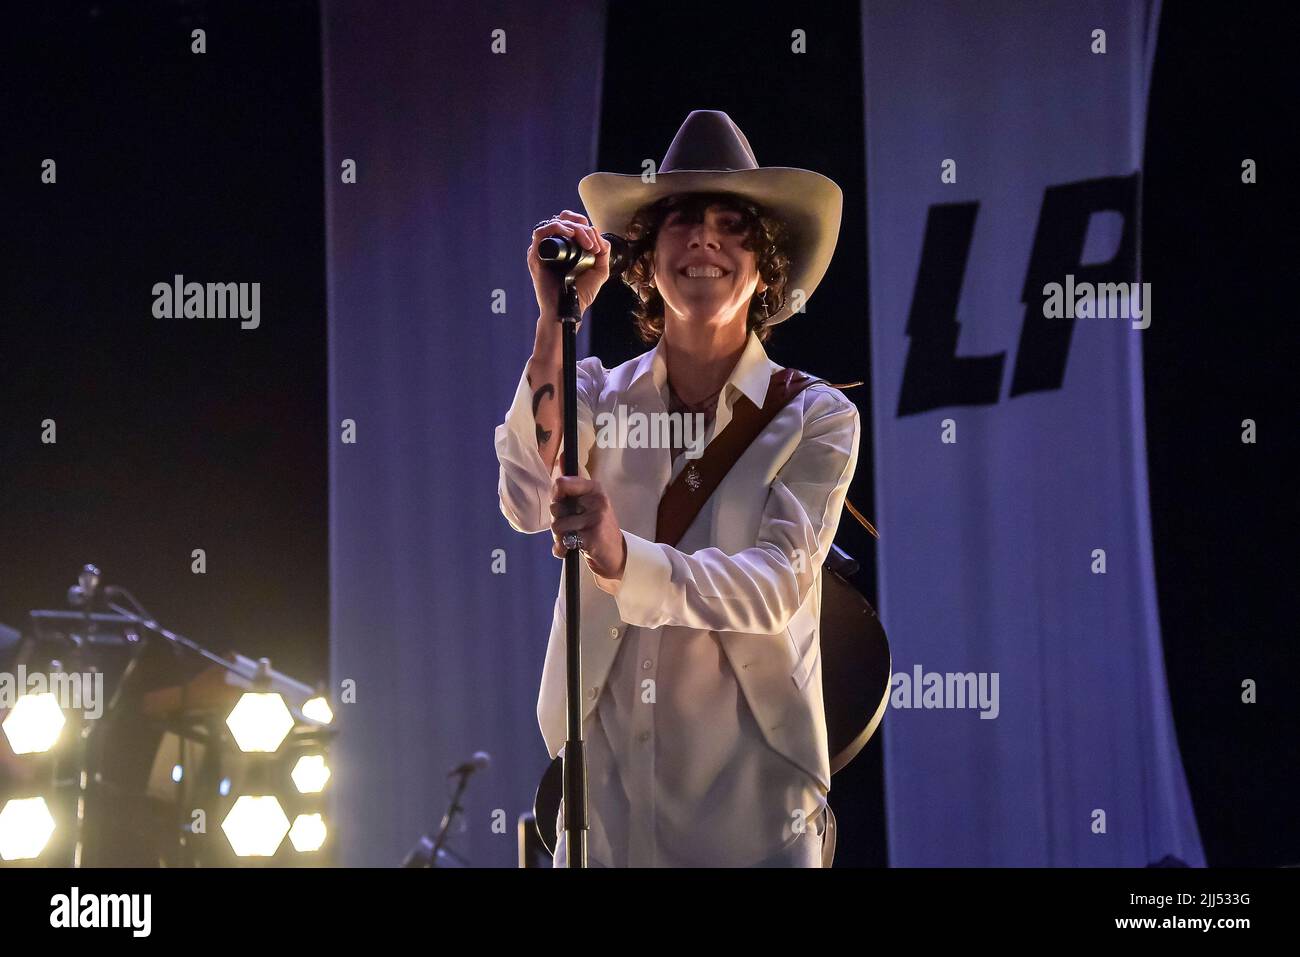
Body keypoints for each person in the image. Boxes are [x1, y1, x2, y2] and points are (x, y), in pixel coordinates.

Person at [495, 110, 857, 867]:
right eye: (682, 220)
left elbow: (773, 586)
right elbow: (528, 499)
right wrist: (553, 318)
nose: (704, 241)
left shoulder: (815, 416)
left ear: (765, 264)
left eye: (733, 225)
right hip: (607, 807)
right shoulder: (590, 389)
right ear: (646, 256)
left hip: (755, 813)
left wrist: (621, 554)